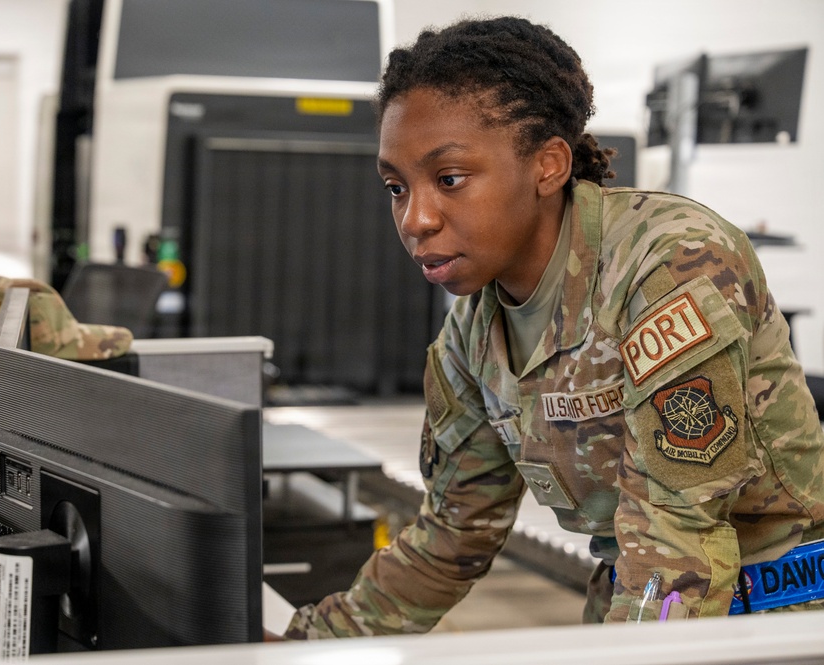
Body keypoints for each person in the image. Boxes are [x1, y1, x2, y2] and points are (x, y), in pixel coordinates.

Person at [283, 15, 824, 638]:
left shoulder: (667, 262)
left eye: (449, 179)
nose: (416, 218)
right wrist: (304, 644)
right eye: (396, 187)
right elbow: (453, 534)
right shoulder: (470, 335)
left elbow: (682, 536)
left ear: (548, 165)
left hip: (776, 621)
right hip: (638, 611)